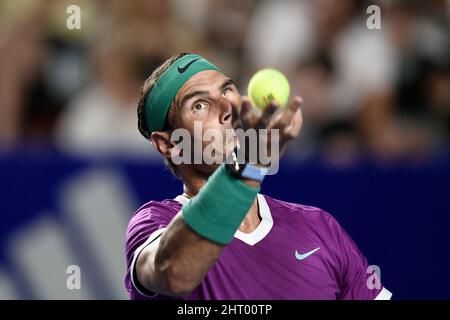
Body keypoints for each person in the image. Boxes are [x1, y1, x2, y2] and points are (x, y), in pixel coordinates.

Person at [124, 53, 392, 300]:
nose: (226, 107)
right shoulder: (152, 223)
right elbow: (175, 273)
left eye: (227, 90)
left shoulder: (321, 227)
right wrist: (247, 164)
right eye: (200, 105)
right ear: (168, 144)